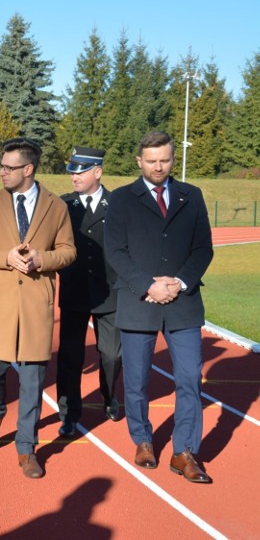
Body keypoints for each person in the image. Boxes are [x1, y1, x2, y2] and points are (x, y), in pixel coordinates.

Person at [104, 131, 214, 484]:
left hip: (183, 304)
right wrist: (147, 284)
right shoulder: (121, 199)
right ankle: (143, 440)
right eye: (151, 161)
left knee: (189, 379)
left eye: (165, 160)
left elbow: (203, 249)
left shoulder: (191, 196)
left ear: (172, 159)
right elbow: (115, 251)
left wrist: (178, 283)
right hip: (139, 301)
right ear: (139, 161)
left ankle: (184, 452)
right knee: (136, 380)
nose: (158, 166)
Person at [0, 137, 75, 479]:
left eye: (8, 167)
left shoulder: (57, 206)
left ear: (28, 169)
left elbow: (69, 251)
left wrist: (44, 259)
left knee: (33, 381)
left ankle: (27, 448)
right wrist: (5, 258)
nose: (2, 171)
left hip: (35, 305)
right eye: (1, 165)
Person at [56, 147, 122, 437]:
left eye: (81, 171)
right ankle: (69, 413)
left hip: (110, 292)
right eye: (72, 171)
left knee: (112, 355)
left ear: (98, 172)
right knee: (70, 357)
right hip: (74, 291)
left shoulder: (118, 204)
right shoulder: (63, 206)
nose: (74, 176)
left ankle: (109, 395)